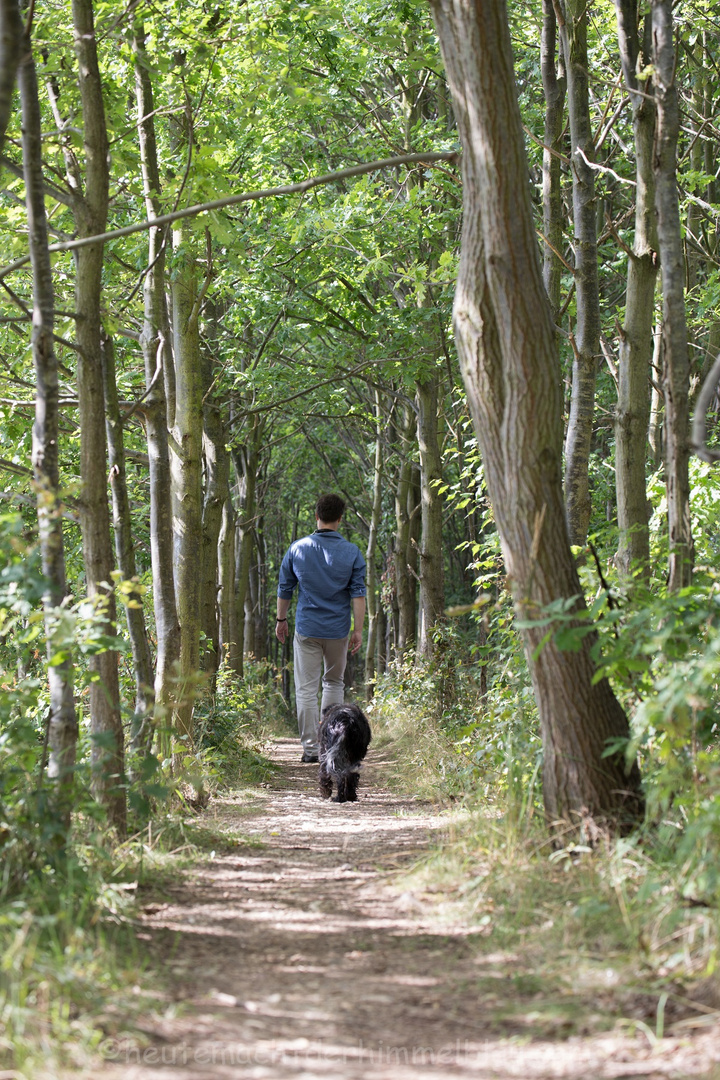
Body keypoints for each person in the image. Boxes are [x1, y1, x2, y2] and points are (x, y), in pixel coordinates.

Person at [276, 494, 366, 763]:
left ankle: (311, 750)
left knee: (305, 689)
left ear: (316, 516)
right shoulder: (352, 552)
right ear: (340, 518)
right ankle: (331, 745)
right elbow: (358, 595)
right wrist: (358, 629)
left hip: (307, 629)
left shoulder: (297, 548)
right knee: (334, 682)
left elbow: (285, 589)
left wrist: (281, 621)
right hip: (338, 630)